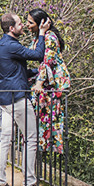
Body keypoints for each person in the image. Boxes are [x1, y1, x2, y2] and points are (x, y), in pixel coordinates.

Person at [0, 12, 47, 186]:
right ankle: (29, 183)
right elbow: (39, 54)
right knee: (32, 138)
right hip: (18, 99)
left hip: (5, 99)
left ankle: (1, 183)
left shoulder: (1, 45)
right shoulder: (11, 46)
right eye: (19, 24)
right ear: (11, 28)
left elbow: (15, 71)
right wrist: (42, 33)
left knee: (4, 139)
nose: (23, 25)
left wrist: (35, 73)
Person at [27, 9, 71, 154]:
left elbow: (48, 61)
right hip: (43, 80)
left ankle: (43, 148)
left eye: (30, 22)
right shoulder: (37, 37)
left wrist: (39, 82)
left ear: (40, 24)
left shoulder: (50, 37)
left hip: (50, 84)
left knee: (47, 117)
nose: (27, 25)